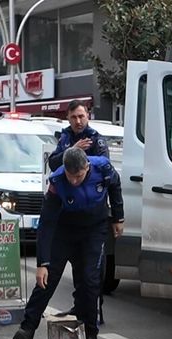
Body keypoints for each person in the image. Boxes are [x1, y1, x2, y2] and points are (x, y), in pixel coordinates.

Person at [13, 147, 124, 339]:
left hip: (94, 229)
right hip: (64, 230)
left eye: (79, 176)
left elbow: (116, 187)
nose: (73, 181)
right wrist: (42, 263)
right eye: (70, 176)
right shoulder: (57, 182)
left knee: (90, 280)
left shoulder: (103, 168)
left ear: (87, 167)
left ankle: (90, 333)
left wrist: (118, 217)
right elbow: (46, 224)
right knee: (48, 278)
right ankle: (27, 328)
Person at [47, 100, 111, 322]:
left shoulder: (96, 139)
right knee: (77, 266)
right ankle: (79, 306)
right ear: (68, 118)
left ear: (88, 116)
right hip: (70, 212)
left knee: (93, 270)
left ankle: (95, 310)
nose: (78, 121)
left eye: (81, 116)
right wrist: (72, 150)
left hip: (94, 211)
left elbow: (106, 169)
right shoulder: (65, 138)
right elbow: (53, 164)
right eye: (74, 117)